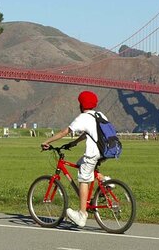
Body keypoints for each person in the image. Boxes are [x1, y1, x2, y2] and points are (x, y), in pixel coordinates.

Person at [40, 90, 110, 228]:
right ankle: (105, 181)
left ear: (82, 105)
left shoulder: (83, 117)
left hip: (93, 153)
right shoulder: (99, 115)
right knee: (81, 164)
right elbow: (88, 133)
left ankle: (82, 214)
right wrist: (74, 143)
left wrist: (47, 141)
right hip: (106, 150)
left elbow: (64, 132)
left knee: (83, 178)